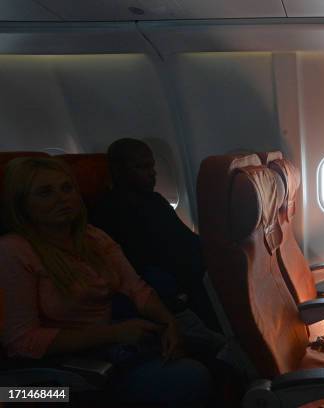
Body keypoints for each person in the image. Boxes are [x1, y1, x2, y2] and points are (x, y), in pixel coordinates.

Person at [0, 157, 210, 404]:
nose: (62, 198)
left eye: (67, 188)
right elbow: (22, 342)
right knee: (190, 378)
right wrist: (113, 333)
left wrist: (169, 322)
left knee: (211, 354)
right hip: (55, 378)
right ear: (22, 204)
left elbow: (136, 288)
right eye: (45, 192)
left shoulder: (93, 237)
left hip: (106, 352)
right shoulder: (13, 251)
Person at [90, 139, 219, 330]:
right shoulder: (105, 212)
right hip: (164, 280)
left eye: (152, 166)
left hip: (188, 271)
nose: (152, 173)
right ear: (118, 171)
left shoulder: (156, 201)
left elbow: (186, 239)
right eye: (141, 167)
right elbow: (132, 264)